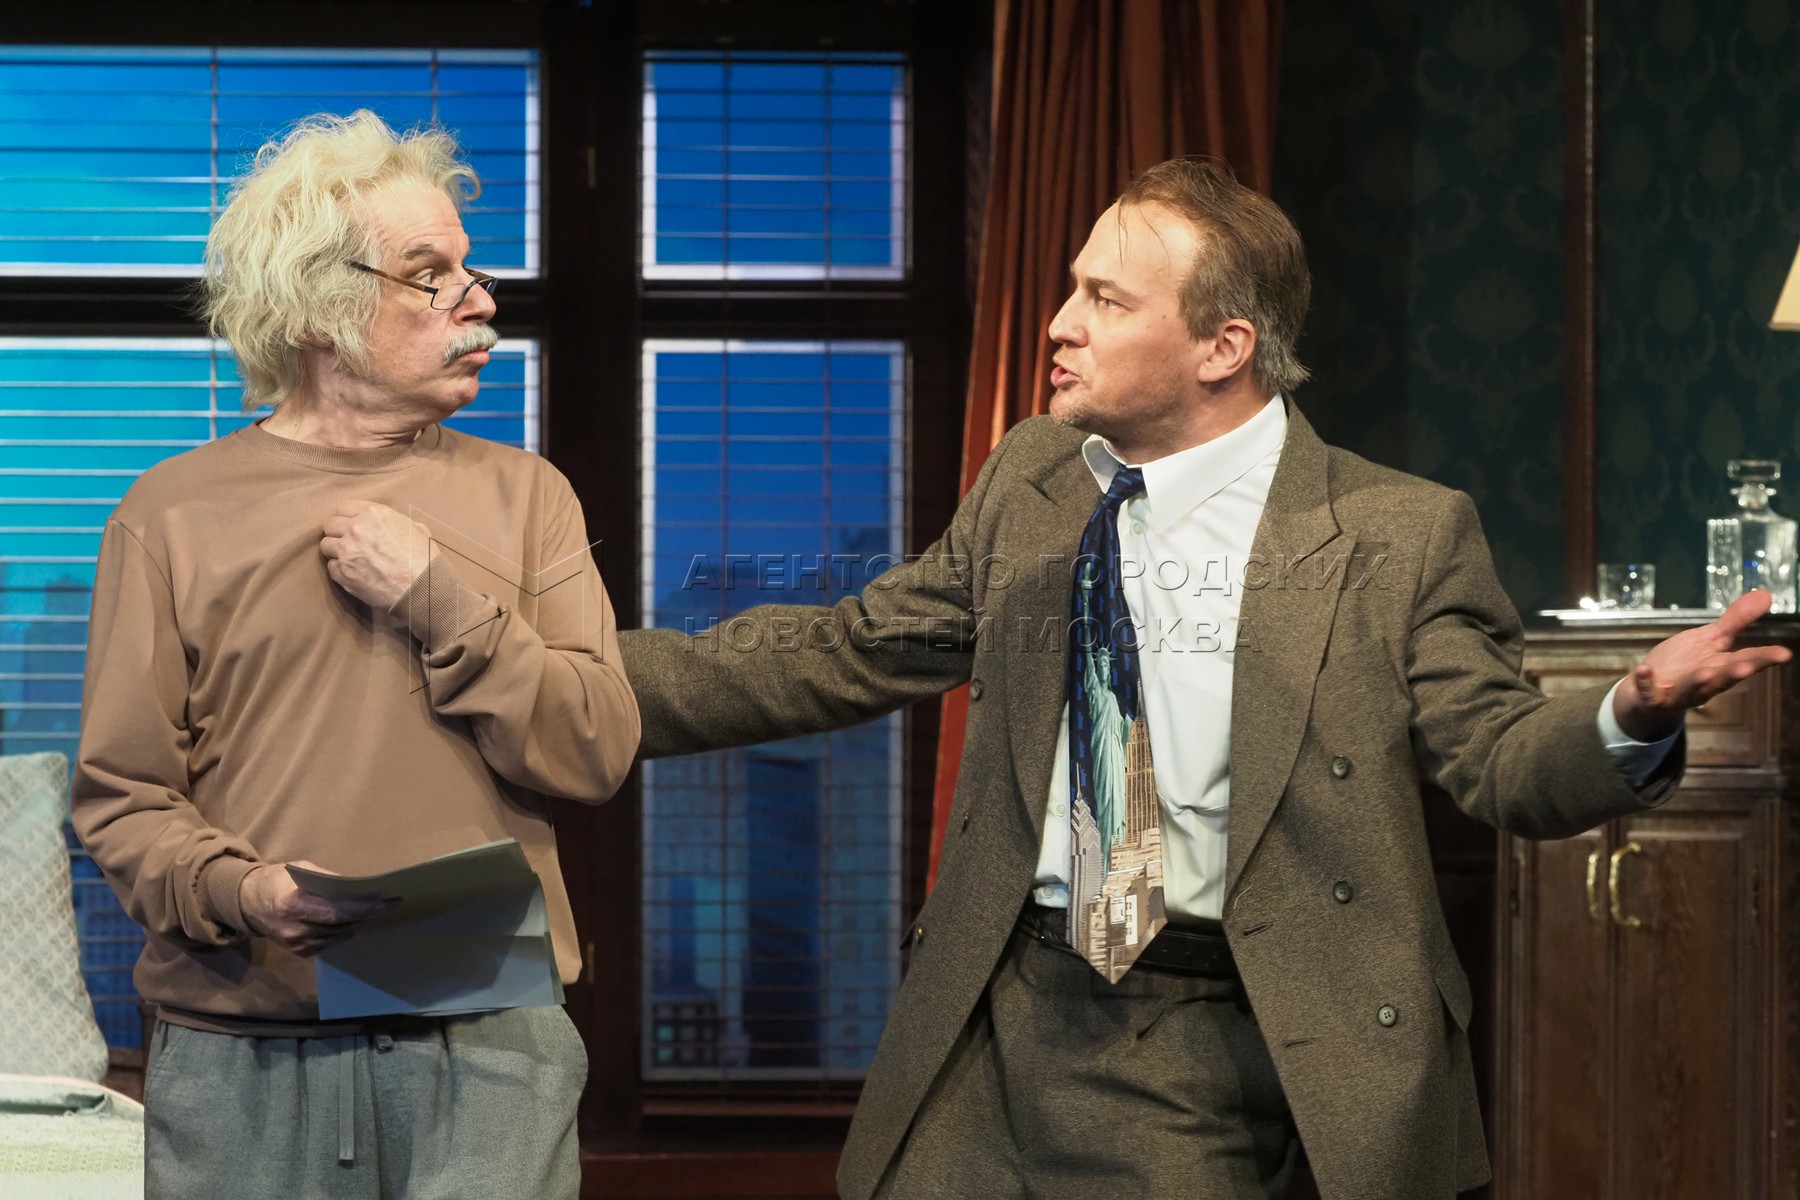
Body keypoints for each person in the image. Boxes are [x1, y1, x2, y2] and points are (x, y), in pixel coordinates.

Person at [618, 157, 1789, 1200]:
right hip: (994, 1009)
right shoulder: (1035, 477)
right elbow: (850, 648)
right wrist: (569, 684)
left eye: (1106, 300)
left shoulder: (1396, 535)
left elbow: (1501, 761)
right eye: (1073, 289)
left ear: (1223, 348)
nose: (1060, 325)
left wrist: (1631, 711)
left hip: (1199, 1032)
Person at [71, 110, 638, 1198]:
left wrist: (440, 601)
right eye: (431, 276)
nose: (480, 300)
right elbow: (123, 800)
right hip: (241, 1060)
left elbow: (596, 749)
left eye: (471, 270)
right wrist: (247, 892)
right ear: (319, 309)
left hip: (490, 1051)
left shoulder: (530, 497)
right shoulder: (169, 514)